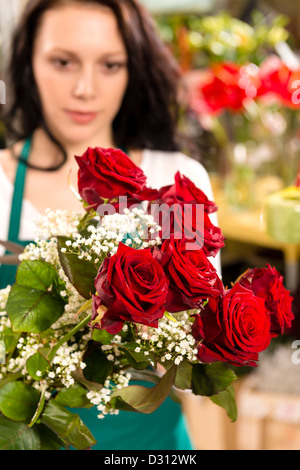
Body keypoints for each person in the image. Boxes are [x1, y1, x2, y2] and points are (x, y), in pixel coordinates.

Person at [0, 0, 220, 450]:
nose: (85, 88)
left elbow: (194, 362)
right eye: (63, 62)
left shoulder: (178, 183)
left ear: (132, 71)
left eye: (110, 65)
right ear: (28, 63)